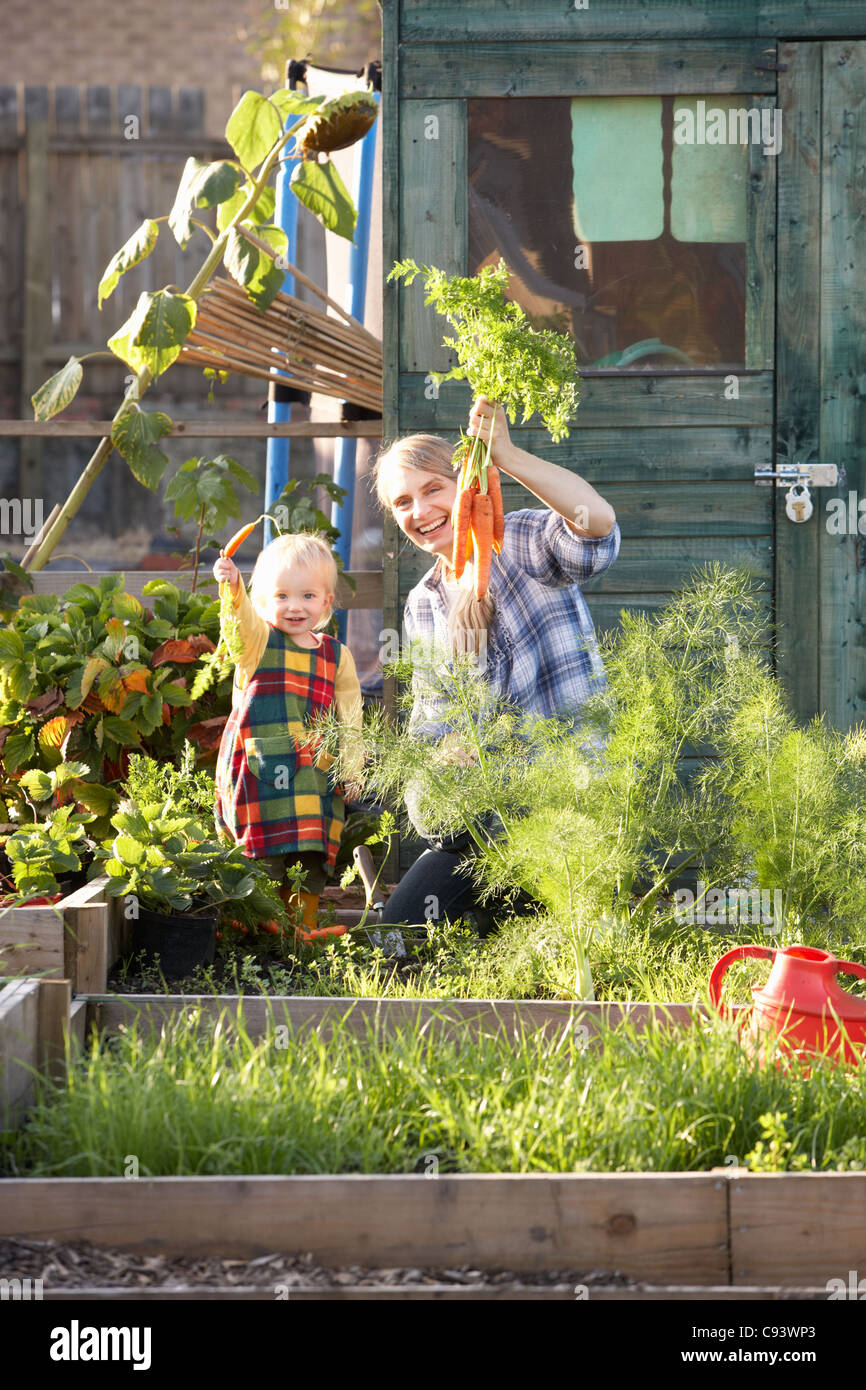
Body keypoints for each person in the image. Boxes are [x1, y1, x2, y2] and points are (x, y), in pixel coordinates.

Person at [372, 395, 620, 934]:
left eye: (433, 489)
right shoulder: (424, 603)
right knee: (401, 925)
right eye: (403, 503)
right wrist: (440, 756)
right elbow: (430, 722)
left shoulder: (523, 539)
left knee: (545, 927)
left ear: (463, 483)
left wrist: (505, 455)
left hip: (566, 796)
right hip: (487, 816)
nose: (420, 511)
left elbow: (597, 527)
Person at [212, 533, 364, 941]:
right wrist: (231, 587)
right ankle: (247, 933)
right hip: (262, 771)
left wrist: (352, 765)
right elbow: (239, 625)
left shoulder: (336, 655)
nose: (294, 606)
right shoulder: (259, 643)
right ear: (262, 603)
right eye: (280, 596)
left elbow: (350, 715)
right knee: (260, 854)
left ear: (327, 603)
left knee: (310, 855)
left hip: (314, 775)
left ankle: (300, 934)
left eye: (308, 595)